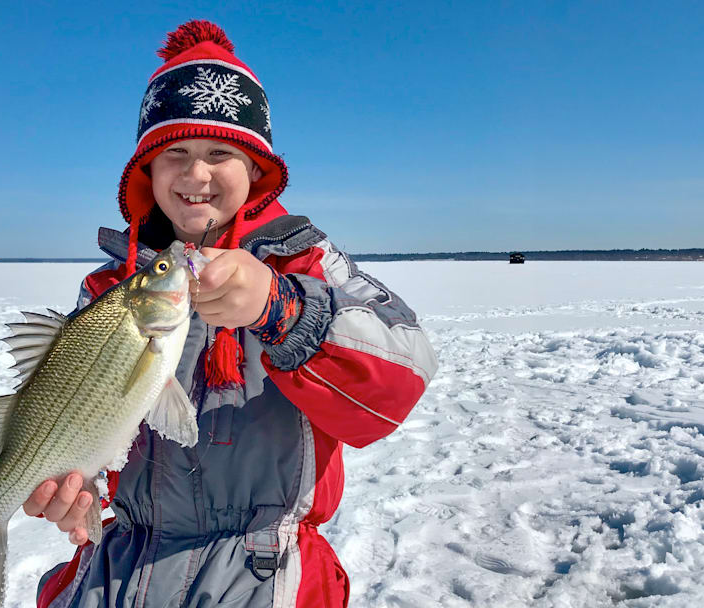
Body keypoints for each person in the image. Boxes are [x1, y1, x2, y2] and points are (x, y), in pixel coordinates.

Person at [28, 20, 438, 608]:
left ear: (256, 169)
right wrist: (76, 486)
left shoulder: (306, 261)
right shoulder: (111, 289)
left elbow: (404, 376)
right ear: (146, 172)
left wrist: (283, 308)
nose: (196, 175)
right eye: (175, 154)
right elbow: (84, 417)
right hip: (120, 566)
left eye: (220, 153)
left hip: (261, 573)